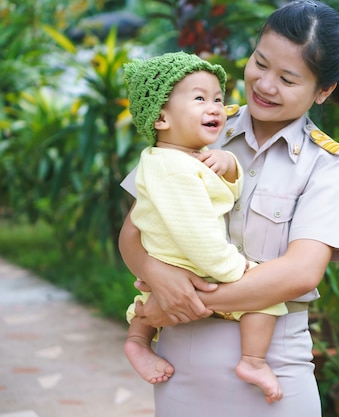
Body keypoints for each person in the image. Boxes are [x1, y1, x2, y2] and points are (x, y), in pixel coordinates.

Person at [118, 1, 339, 415]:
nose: (265, 85)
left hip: (274, 363)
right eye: (260, 62)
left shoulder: (325, 164)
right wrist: (156, 275)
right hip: (181, 360)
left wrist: (184, 299)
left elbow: (301, 271)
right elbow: (133, 233)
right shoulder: (201, 124)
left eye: (288, 78)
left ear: (323, 91)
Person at [121, 51, 287, 403]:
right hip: (193, 262)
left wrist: (228, 166)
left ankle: (137, 341)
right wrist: (231, 267)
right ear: (161, 118)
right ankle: (253, 361)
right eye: (199, 99)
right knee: (266, 300)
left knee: (147, 304)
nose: (215, 108)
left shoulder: (181, 158)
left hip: (177, 264)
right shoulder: (173, 169)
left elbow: (219, 197)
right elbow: (194, 230)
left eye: (217, 98)